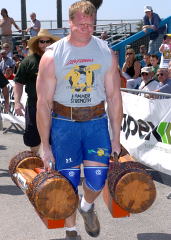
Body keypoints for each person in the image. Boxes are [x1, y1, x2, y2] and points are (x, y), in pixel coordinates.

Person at [36, 1, 123, 239]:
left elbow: (115, 98)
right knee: (68, 182)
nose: (86, 28)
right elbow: (43, 103)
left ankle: (87, 206)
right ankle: (71, 230)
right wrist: (45, 146)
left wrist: (116, 139)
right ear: (70, 23)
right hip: (64, 125)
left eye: (91, 24)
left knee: (97, 180)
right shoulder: (53, 56)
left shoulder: (105, 51)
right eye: (81, 24)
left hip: (96, 123)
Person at [14, 29, 59, 154]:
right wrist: (17, 102)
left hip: (56, 104)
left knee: (55, 136)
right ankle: (36, 161)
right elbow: (18, 83)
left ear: (52, 43)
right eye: (41, 42)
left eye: (47, 41)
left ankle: (53, 168)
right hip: (35, 104)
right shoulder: (28, 61)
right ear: (37, 43)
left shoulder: (59, 60)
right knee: (32, 135)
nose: (44, 45)